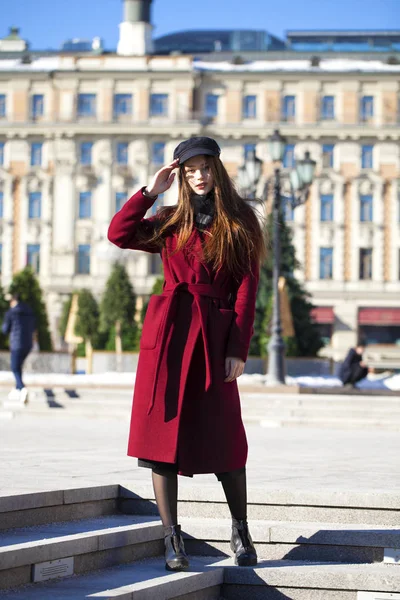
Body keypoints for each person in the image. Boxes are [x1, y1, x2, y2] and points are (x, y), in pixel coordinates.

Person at [108, 136, 266, 572]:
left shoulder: (240, 223)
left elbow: (246, 293)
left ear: (218, 170)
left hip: (214, 336)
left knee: (226, 438)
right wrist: (149, 192)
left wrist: (237, 348)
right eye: (190, 169)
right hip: (171, 334)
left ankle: (240, 529)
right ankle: (172, 539)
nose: (199, 176)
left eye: (205, 167)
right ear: (181, 174)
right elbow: (118, 234)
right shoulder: (168, 219)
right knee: (161, 440)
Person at [2, 293, 37, 403]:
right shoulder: (29, 312)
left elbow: (5, 329)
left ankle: (22, 388)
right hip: (28, 344)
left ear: (12, 301)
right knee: (18, 366)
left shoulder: (11, 313)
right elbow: (34, 327)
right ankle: (17, 388)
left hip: (17, 343)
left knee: (14, 366)